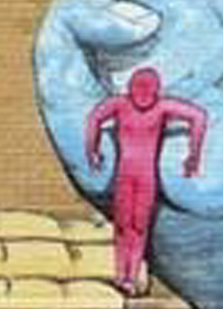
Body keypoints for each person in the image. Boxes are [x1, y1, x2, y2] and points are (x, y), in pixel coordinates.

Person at [83, 65, 209, 294]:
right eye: (138, 87)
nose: (143, 94)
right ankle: (121, 274)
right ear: (130, 88)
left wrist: (194, 155)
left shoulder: (161, 107)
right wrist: (92, 150)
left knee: (139, 227)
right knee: (123, 225)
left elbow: (199, 117)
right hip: (124, 175)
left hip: (146, 176)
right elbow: (94, 118)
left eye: (148, 89)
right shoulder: (120, 104)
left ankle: (130, 276)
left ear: (156, 90)